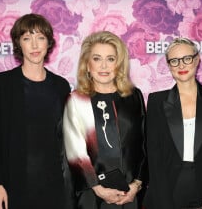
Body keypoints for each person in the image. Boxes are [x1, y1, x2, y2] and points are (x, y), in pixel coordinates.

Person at [0, 13, 74, 209]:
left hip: (56, 183)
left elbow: (66, 139)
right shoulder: (1, 84)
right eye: (27, 38)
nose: (34, 45)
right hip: (16, 183)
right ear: (18, 43)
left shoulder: (61, 86)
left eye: (40, 37)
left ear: (49, 43)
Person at [144, 37, 202, 209]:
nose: (181, 65)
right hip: (167, 192)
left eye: (187, 58)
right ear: (169, 65)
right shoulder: (156, 101)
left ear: (197, 59)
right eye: (174, 61)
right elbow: (155, 157)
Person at [63, 31, 147, 209]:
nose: (103, 66)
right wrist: (98, 188)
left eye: (110, 59)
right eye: (96, 58)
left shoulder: (133, 96)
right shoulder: (77, 100)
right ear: (87, 65)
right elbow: (75, 152)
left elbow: (145, 144)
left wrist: (137, 184)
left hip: (131, 195)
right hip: (93, 196)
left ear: (119, 65)